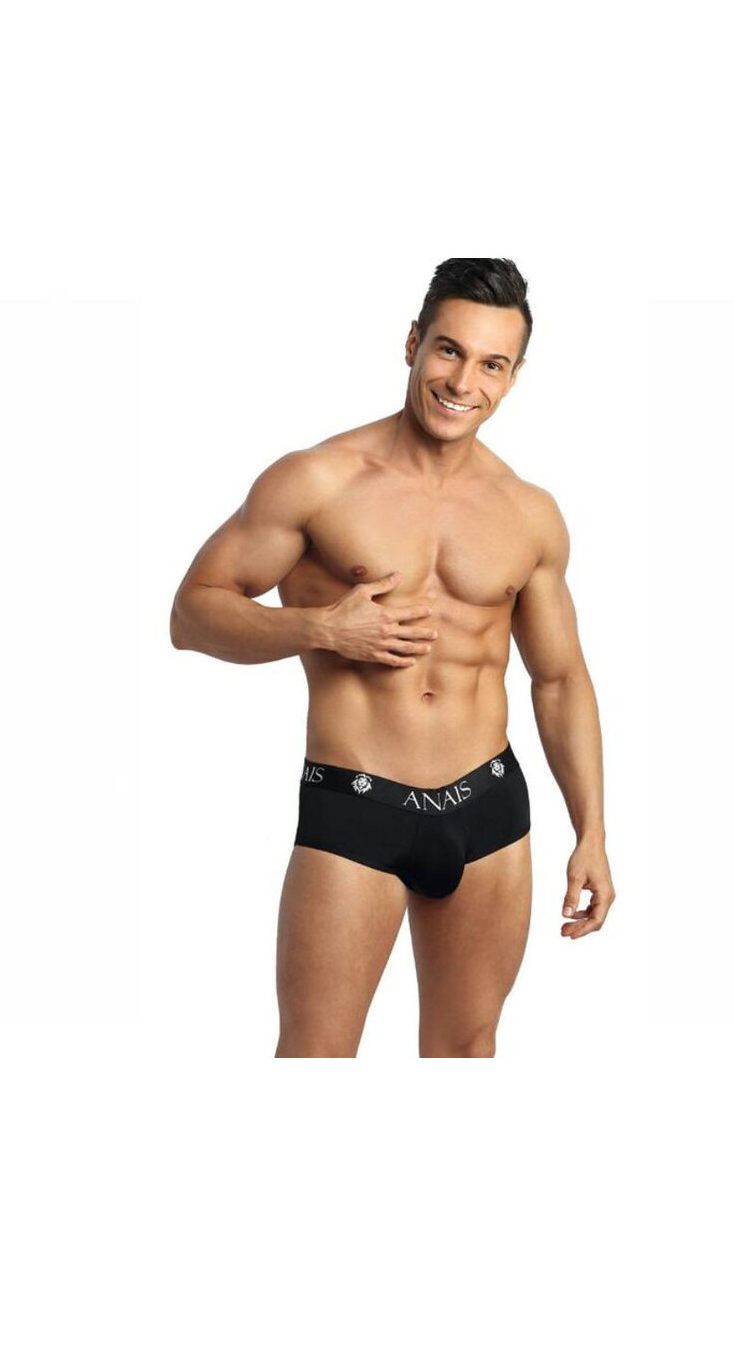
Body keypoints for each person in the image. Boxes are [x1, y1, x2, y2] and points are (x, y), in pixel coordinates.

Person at [170, 257, 616, 1057]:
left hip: (488, 810)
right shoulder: (318, 480)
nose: (463, 382)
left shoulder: (530, 514)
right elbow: (191, 614)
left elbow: (558, 680)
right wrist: (320, 629)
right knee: (316, 1056)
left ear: (514, 377)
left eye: (492, 364)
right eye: (449, 350)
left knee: (466, 1053)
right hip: (358, 807)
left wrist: (592, 831)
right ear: (413, 343)